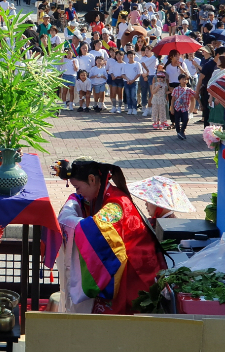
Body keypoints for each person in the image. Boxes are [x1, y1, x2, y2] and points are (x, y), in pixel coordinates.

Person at [56, 158, 166, 314]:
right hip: (133, 264)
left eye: (78, 187)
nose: (77, 193)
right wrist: (75, 200)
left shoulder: (115, 204)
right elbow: (84, 203)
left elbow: (94, 229)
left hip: (136, 273)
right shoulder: (104, 195)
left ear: (92, 179)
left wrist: (69, 222)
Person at [128, 176, 196, 226]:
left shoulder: (163, 226)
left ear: (160, 205)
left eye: (149, 201)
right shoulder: (170, 221)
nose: (146, 204)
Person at [170, 73, 196, 140]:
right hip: (177, 107)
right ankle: (178, 132)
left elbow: (195, 95)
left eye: (185, 79)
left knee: (185, 119)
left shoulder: (189, 90)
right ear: (179, 80)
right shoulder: (176, 89)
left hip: (185, 108)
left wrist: (192, 108)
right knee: (177, 121)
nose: (184, 81)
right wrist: (171, 107)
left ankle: (182, 131)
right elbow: (173, 99)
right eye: (182, 79)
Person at [122, 51, 142, 115]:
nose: (131, 56)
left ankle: (134, 108)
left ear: (134, 56)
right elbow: (123, 74)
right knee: (128, 96)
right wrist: (128, 80)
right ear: (127, 56)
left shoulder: (137, 64)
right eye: (129, 55)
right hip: (126, 82)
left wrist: (133, 80)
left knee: (133, 96)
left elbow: (139, 73)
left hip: (134, 82)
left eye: (132, 55)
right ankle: (129, 108)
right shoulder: (125, 65)